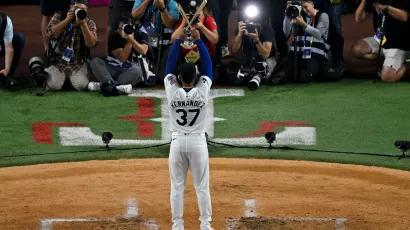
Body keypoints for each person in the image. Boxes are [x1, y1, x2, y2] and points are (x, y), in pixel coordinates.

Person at [164, 28, 213, 230]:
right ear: (195, 77)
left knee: (177, 187)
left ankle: (177, 226)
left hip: (177, 143)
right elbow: (208, 67)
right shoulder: (202, 91)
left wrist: (177, 42)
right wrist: (200, 41)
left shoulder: (172, 91)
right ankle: (205, 225)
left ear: (179, 77)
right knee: (202, 187)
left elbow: (168, 67)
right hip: (198, 142)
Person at [270, 0, 330, 85]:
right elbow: (286, 32)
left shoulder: (323, 16)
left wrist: (303, 24)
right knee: (278, 73)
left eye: (306, 7)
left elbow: (319, 34)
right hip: (297, 54)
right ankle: (281, 76)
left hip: (315, 55)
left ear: (312, 4)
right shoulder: (298, 15)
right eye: (303, 8)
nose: (304, 10)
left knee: (304, 77)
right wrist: (287, 15)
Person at [89, 13, 149, 96]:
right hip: (111, 69)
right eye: (121, 28)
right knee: (95, 61)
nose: (123, 30)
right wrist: (129, 41)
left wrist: (131, 40)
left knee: (138, 71)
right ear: (117, 28)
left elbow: (143, 51)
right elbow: (122, 58)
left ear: (133, 27)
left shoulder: (141, 34)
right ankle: (116, 86)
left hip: (127, 71)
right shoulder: (115, 37)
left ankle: (106, 85)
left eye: (127, 27)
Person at [44, 0, 97, 91]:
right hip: (58, 61)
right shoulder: (60, 16)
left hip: (78, 62)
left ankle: (66, 80)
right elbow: (50, 33)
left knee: (82, 85)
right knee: (52, 86)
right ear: (71, 7)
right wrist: (67, 20)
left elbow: (91, 44)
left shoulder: (89, 23)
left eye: (83, 9)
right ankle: (38, 63)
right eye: (77, 9)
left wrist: (83, 24)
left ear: (87, 10)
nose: (79, 11)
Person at [352, 0, 410, 82]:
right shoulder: (376, 0)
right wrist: (363, 2)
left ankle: (407, 65)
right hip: (381, 41)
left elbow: (404, 16)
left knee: (388, 77)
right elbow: (359, 19)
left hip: (398, 44)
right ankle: (385, 60)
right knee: (358, 49)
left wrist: (385, 8)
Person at [132, 0, 180, 80]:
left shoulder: (171, 3)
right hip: (144, 43)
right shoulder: (140, 1)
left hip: (164, 45)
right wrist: (146, 1)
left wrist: (162, 8)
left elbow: (170, 24)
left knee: (162, 78)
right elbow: (134, 16)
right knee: (143, 77)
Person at [231, 4, 276, 86]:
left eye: (252, 22)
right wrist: (239, 34)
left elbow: (265, 55)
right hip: (249, 61)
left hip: (266, 61)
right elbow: (234, 50)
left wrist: (256, 40)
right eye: (247, 21)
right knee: (238, 79)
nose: (250, 25)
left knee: (259, 76)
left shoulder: (266, 28)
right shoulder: (242, 27)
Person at [171, 5, 219, 80]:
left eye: (198, 14)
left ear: (203, 12)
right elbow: (173, 40)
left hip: (205, 59)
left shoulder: (208, 20)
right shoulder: (184, 21)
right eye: (193, 14)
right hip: (186, 60)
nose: (195, 17)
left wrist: (202, 27)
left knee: (210, 78)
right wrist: (183, 24)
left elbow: (215, 40)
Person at [0, 12, 25, 87]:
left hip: (2, 45)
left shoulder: (6, 21)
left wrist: (7, 69)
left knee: (19, 39)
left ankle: (7, 74)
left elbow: (9, 48)